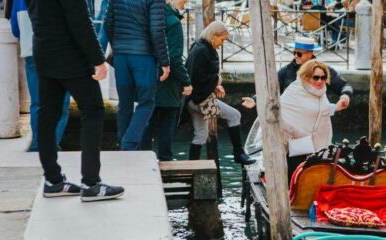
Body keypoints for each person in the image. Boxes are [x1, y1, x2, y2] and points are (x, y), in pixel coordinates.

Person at [30, 0, 124, 201]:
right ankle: (91, 183)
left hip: (43, 50)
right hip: (69, 55)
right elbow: (80, 22)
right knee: (93, 111)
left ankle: (52, 180)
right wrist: (98, 60)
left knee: (48, 113)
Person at [185, 21, 255, 165]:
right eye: (222, 39)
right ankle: (238, 154)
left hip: (191, 100)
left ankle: (191, 167)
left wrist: (215, 85)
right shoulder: (202, 51)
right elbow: (199, 77)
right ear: (213, 36)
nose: (222, 43)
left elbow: (198, 75)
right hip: (200, 100)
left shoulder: (198, 47)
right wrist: (217, 80)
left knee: (201, 135)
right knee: (235, 115)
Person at [104, 0, 171, 151]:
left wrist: (117, 46)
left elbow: (108, 24)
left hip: (121, 56)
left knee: (125, 103)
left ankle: (122, 142)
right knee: (146, 102)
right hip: (143, 56)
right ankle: (129, 144)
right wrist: (165, 61)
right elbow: (157, 30)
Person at [10, 0, 71, 152]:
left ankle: (38, 145)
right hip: (60, 52)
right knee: (61, 103)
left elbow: (15, 29)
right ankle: (52, 145)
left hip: (32, 51)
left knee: (38, 102)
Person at [240, 37, 354, 111]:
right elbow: (270, 89)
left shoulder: (321, 71)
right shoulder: (286, 71)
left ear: (310, 54)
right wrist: (255, 99)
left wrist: (345, 96)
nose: (295, 56)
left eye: (299, 54)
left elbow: (345, 85)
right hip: (290, 118)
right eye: (295, 53)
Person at [141, 0, 192, 161]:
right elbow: (175, 58)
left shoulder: (151, 17)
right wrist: (186, 81)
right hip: (167, 80)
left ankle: (143, 155)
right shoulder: (174, 23)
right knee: (168, 118)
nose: (186, 3)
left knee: (148, 119)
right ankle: (165, 156)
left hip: (148, 74)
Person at [280, 60, 349, 173]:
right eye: (316, 77)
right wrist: (299, 134)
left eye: (323, 77)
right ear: (306, 77)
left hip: (319, 148)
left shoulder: (321, 93)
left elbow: (320, 110)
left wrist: (337, 106)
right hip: (299, 149)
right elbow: (279, 116)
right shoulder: (294, 91)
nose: (320, 81)